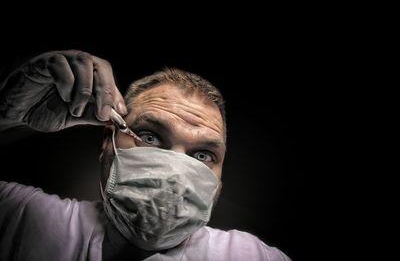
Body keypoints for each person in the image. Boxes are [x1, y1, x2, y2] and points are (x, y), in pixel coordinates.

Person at [0, 50, 291, 261]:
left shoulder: (250, 257)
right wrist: (5, 114)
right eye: (150, 137)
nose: (175, 170)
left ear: (219, 183)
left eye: (202, 155)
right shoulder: (20, 219)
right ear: (107, 143)